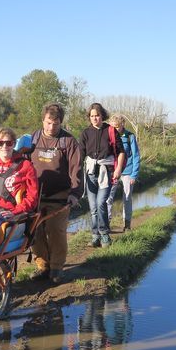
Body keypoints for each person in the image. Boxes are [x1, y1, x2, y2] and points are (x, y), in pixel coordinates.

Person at [29, 103, 83, 284]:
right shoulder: (33, 139)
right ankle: (43, 266)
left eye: (56, 124)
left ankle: (57, 268)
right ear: (43, 120)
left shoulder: (68, 142)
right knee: (34, 233)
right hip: (34, 198)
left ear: (61, 123)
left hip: (60, 197)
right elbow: (22, 165)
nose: (52, 127)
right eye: (48, 123)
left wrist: (75, 193)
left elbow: (76, 170)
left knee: (56, 232)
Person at [79, 104, 125, 247]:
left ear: (102, 116)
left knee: (101, 203)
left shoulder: (110, 131)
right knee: (93, 206)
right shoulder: (85, 133)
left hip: (107, 171)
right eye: (92, 116)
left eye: (97, 115)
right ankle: (95, 235)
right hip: (91, 172)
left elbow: (121, 151)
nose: (94, 118)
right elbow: (80, 154)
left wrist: (118, 170)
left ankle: (104, 234)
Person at [106, 113, 140, 232]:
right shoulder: (109, 136)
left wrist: (134, 175)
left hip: (128, 172)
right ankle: (107, 224)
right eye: (112, 126)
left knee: (127, 197)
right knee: (108, 197)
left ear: (122, 125)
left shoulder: (130, 136)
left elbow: (135, 156)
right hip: (113, 171)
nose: (115, 129)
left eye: (117, 126)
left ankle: (127, 225)